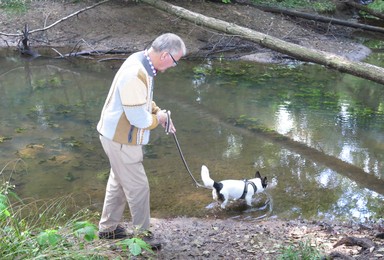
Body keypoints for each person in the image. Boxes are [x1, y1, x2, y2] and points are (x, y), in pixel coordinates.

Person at [96, 33, 186, 249]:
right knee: (139, 188)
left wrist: (157, 111)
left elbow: (142, 100)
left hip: (113, 137)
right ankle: (143, 236)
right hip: (121, 141)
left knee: (118, 183)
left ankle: (108, 229)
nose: (174, 66)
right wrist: (160, 118)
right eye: (176, 61)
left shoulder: (141, 62)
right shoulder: (136, 73)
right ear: (165, 55)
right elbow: (137, 118)